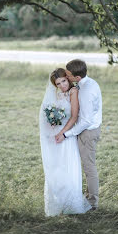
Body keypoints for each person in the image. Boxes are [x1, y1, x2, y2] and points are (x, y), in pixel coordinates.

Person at [39, 68, 91, 216]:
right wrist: (52, 123)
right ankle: (57, 202)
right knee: (56, 167)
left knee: (68, 166)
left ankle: (71, 204)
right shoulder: (57, 93)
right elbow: (52, 112)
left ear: (67, 79)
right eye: (58, 83)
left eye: (63, 81)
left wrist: (62, 133)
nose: (62, 85)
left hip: (67, 135)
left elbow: (73, 116)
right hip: (55, 136)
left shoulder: (73, 92)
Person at [55, 59, 102, 211]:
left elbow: (86, 121)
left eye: (68, 75)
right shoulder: (87, 83)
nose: (67, 77)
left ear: (77, 77)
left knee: (89, 167)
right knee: (87, 166)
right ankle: (88, 199)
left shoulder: (86, 91)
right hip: (85, 129)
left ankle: (93, 203)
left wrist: (67, 134)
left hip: (88, 131)